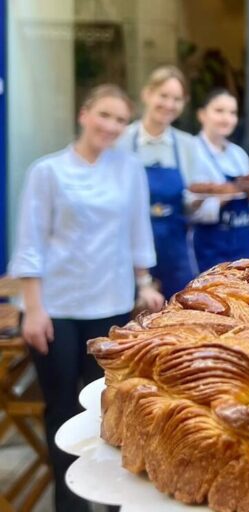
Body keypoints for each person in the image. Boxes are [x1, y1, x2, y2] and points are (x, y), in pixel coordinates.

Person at [8, 84, 164, 512]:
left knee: (110, 410)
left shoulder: (130, 169)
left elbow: (137, 231)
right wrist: (33, 309)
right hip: (55, 311)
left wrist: (145, 282)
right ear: (84, 115)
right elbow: (30, 243)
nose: (111, 126)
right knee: (60, 410)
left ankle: (113, 500)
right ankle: (68, 504)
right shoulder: (48, 171)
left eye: (119, 119)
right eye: (105, 116)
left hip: (111, 305)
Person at [117, 65, 200, 297]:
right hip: (128, 251)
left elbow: (193, 199)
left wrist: (203, 201)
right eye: (163, 96)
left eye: (177, 99)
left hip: (175, 252)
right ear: (147, 94)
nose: (169, 104)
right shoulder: (121, 141)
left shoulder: (187, 146)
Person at [188, 88, 249, 272]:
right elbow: (187, 207)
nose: (226, 118)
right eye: (219, 111)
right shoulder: (191, 151)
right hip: (208, 247)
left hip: (242, 241)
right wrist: (223, 196)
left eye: (232, 113)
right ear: (202, 115)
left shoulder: (239, 154)